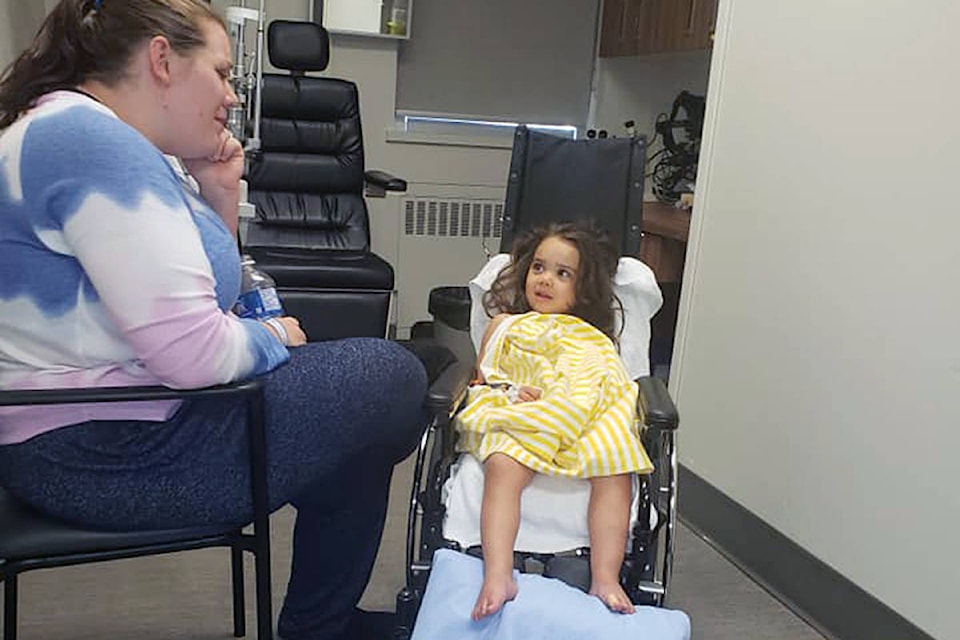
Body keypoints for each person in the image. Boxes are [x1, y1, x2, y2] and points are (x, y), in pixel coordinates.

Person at [0, 2, 427, 639]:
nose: (232, 96)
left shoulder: (106, 139)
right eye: (223, 73)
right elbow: (196, 353)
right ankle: (319, 626)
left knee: (366, 421)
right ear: (162, 61)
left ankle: (324, 626)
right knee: (390, 373)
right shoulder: (91, 142)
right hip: (105, 453)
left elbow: (211, 303)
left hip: (109, 429)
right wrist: (274, 336)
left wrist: (219, 191)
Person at [457, 222, 654, 620]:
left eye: (563, 274)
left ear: (582, 289)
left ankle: (605, 577)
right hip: (530, 413)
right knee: (503, 464)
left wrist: (585, 404)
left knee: (615, 468)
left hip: (588, 414)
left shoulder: (595, 336)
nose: (545, 280)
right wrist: (511, 392)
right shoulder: (506, 324)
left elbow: (607, 379)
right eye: (539, 268)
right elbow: (485, 377)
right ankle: (499, 575)